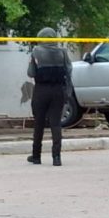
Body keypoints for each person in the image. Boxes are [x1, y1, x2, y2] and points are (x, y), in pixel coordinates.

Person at [27, 27, 72, 166]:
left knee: (39, 123)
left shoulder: (36, 51)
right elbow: (69, 70)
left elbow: (31, 73)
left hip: (41, 90)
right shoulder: (63, 52)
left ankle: (36, 156)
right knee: (56, 124)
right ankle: (56, 157)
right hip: (58, 90)